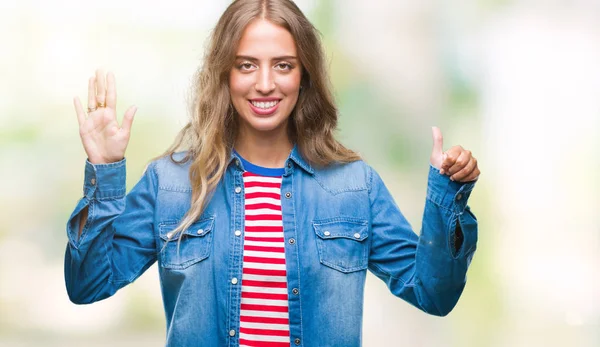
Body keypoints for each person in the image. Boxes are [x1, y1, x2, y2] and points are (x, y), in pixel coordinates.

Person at [65, 0, 480, 346]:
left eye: (283, 65)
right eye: (246, 65)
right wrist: (104, 171)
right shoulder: (169, 184)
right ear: (224, 76)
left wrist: (449, 196)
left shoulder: (354, 185)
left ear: (304, 78)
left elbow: (433, 292)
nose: (265, 83)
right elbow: (88, 285)